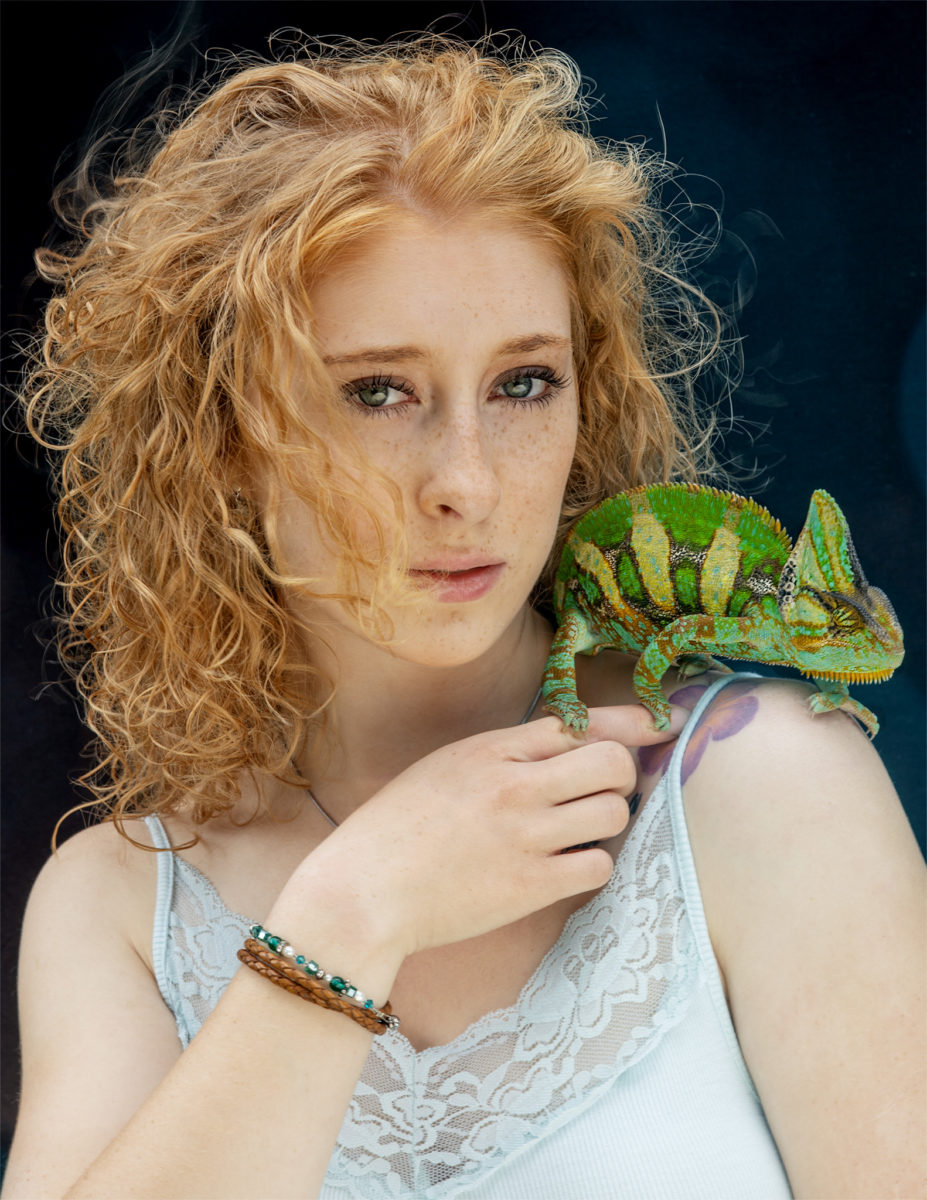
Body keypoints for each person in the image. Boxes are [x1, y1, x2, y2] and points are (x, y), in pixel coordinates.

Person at [3, 34, 924, 1200]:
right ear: (223, 438)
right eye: (378, 392)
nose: (469, 484)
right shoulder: (118, 904)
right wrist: (354, 913)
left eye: (523, 383)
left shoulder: (767, 785)